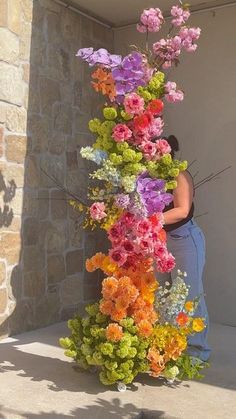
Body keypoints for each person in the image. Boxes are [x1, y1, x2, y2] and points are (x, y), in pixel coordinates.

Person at [162, 135, 211, 362]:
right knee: (163, 295)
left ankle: (197, 351)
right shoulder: (151, 180)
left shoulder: (179, 175)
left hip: (184, 241)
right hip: (162, 242)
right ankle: (168, 348)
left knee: (189, 295)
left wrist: (149, 220)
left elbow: (181, 210)